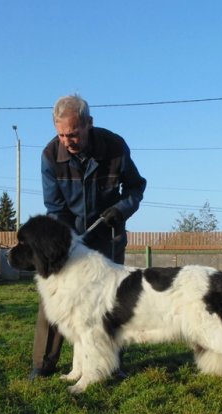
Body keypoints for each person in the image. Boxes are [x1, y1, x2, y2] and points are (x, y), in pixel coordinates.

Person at [30, 94, 146, 379]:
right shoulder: (50, 156)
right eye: (61, 135)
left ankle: (112, 365)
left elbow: (135, 187)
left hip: (108, 235)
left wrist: (120, 210)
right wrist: (66, 243)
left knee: (112, 302)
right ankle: (43, 364)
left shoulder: (115, 147)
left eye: (73, 134)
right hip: (69, 241)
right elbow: (54, 207)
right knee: (55, 296)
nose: (67, 141)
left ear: (88, 124)